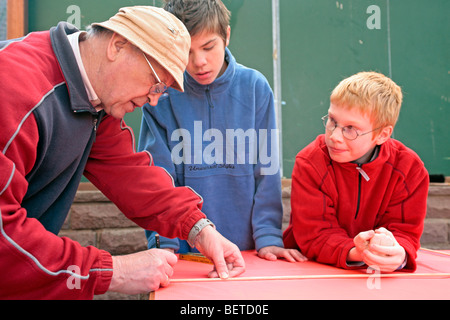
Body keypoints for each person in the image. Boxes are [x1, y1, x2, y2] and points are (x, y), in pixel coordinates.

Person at [0, 6, 245, 300]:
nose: (154, 101)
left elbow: (131, 175)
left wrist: (199, 229)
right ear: (118, 45)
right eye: (156, 83)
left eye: (162, 90)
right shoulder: (13, 91)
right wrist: (114, 271)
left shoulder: (95, 101)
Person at [139, 0, 305, 263]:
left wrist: (269, 238)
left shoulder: (255, 88)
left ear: (226, 35)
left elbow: (267, 170)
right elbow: (157, 176)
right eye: (187, 51)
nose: (199, 62)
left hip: (249, 252)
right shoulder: (161, 97)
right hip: (184, 253)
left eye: (208, 47)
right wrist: (165, 245)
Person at [283, 71, 429, 272]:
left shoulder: (410, 169)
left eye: (350, 128)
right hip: (310, 269)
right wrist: (356, 252)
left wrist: (399, 253)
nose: (335, 136)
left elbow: (404, 232)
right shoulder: (310, 162)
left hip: (377, 277)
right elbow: (315, 234)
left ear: (382, 134)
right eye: (332, 121)